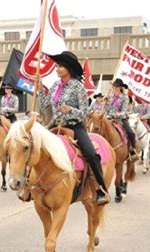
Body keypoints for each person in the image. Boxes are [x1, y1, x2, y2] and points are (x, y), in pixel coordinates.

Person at [39, 51, 110, 205]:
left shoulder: (78, 87)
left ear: (68, 68)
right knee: (33, 145)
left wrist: (70, 110)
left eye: (60, 66)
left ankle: (101, 189)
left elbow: (84, 113)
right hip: (54, 124)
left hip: (75, 126)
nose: (57, 69)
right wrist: (39, 89)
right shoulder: (55, 85)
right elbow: (45, 106)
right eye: (56, 66)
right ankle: (30, 185)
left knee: (90, 154)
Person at [105, 78, 139, 161]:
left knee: (130, 132)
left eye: (117, 87)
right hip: (108, 118)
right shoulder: (109, 97)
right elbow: (107, 110)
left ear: (120, 88)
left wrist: (118, 114)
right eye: (114, 86)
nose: (116, 88)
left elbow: (124, 111)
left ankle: (132, 150)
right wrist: (105, 104)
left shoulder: (125, 97)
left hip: (121, 120)